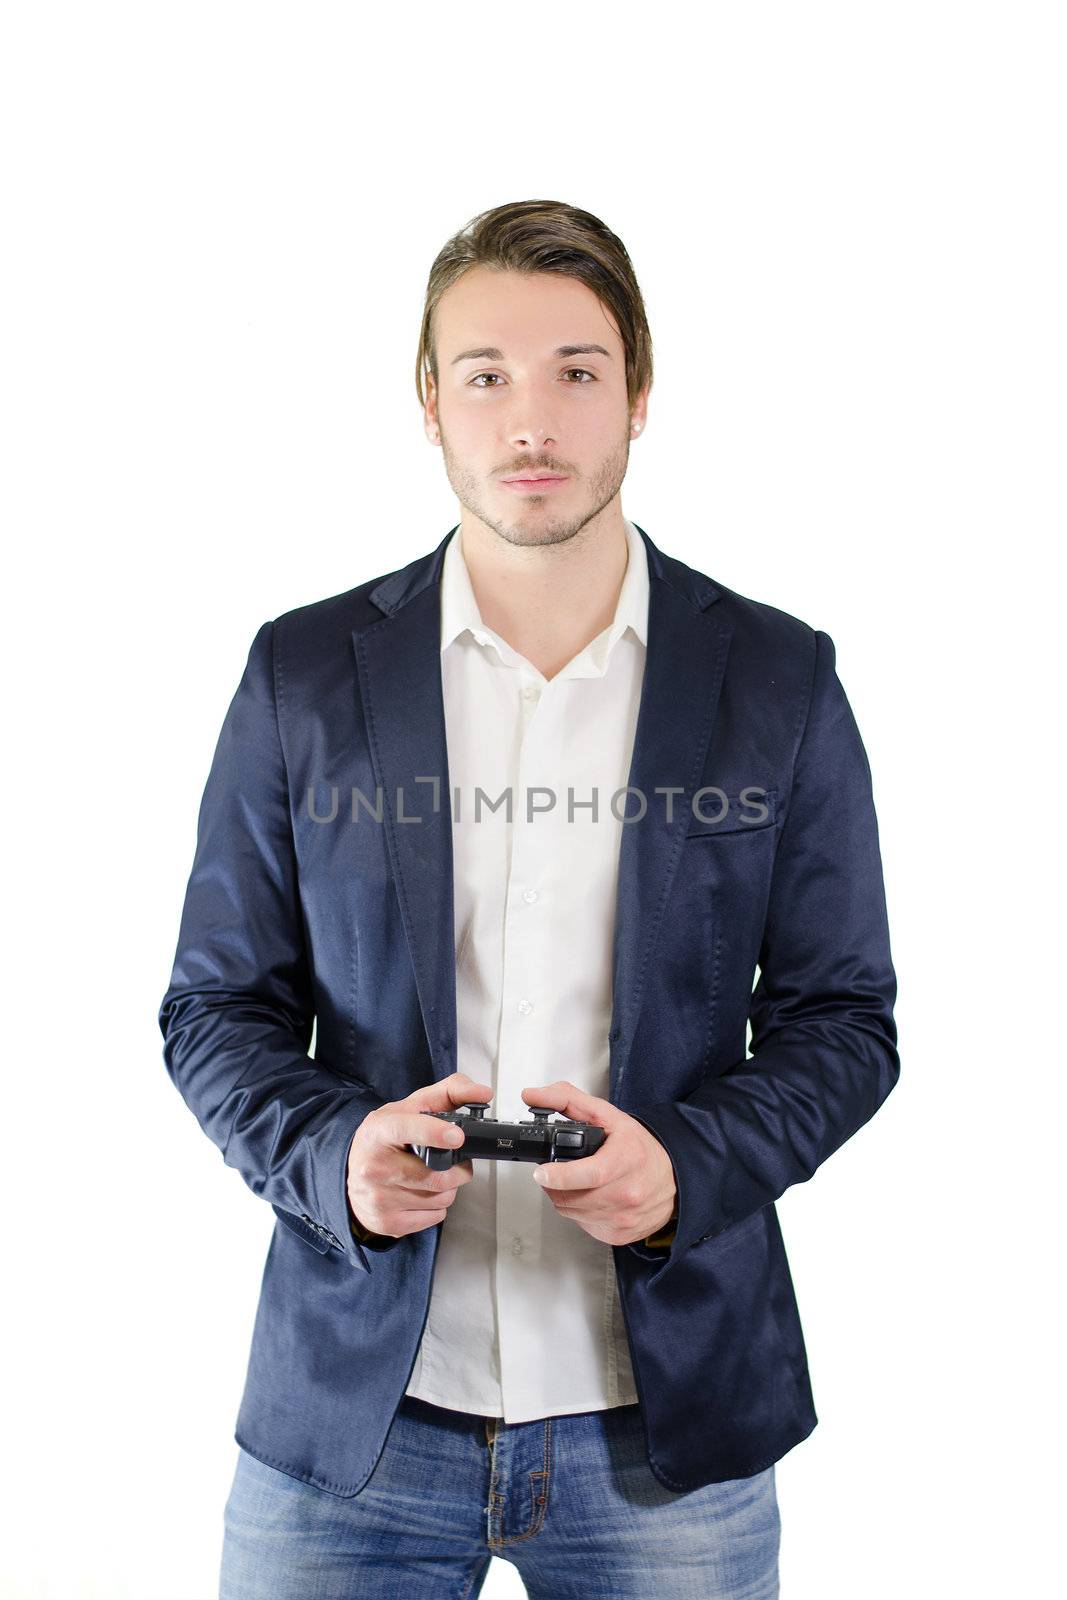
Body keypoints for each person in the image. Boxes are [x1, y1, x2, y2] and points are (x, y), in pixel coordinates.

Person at [158, 198, 899, 1599]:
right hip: (353, 1428)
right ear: (429, 404)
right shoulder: (305, 676)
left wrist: (688, 1168)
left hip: (669, 1439)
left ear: (640, 393)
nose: (531, 420)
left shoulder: (778, 683)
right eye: (485, 374)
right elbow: (214, 1009)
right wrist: (334, 1160)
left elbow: (846, 1022)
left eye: (578, 369)